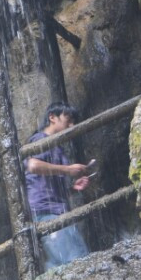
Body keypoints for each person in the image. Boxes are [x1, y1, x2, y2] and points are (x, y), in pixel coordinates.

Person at [24, 101, 93, 270]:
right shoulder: (40, 139)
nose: (72, 125)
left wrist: (71, 188)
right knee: (77, 259)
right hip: (45, 210)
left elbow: (47, 181)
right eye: (68, 119)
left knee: (59, 263)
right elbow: (33, 166)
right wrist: (68, 170)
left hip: (54, 209)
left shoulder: (57, 148)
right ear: (52, 117)